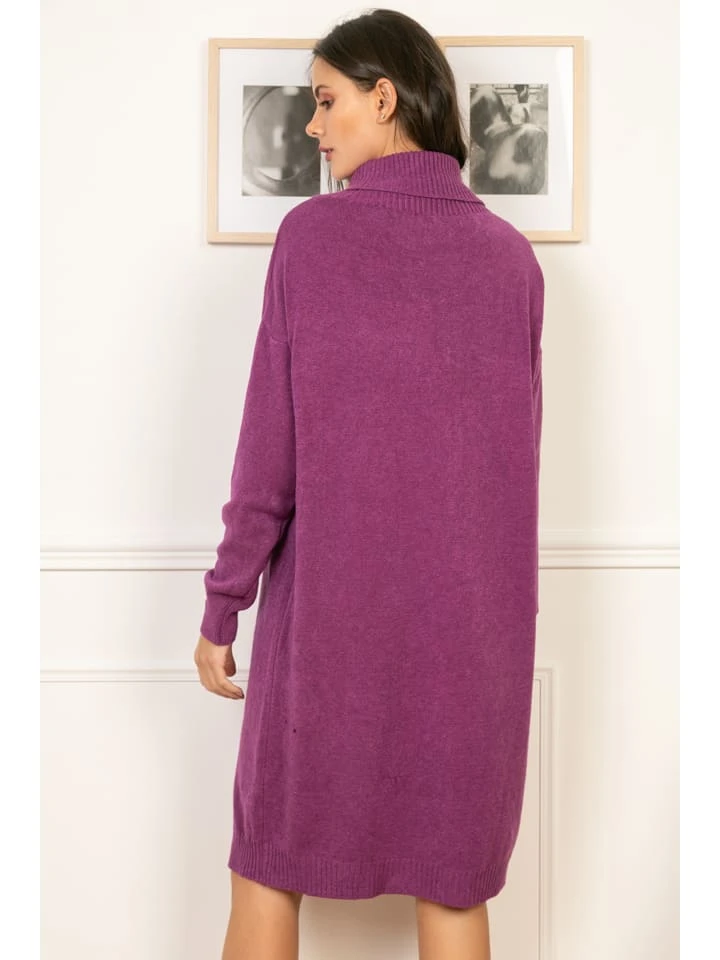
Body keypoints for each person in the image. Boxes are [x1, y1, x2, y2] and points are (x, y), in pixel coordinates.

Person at [194, 9, 544, 960]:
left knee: (267, 867)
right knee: (455, 887)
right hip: (473, 642)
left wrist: (224, 602)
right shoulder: (511, 260)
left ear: (384, 98)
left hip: (328, 632)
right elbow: (514, 472)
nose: (314, 124)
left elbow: (268, 451)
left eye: (326, 99)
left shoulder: (311, 239)